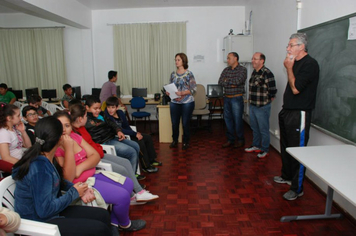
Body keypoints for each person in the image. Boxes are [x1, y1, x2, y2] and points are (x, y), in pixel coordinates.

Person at [12, 116, 113, 236]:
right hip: (40, 221)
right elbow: (44, 210)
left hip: (52, 211)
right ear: (60, 138)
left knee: (102, 215)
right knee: (100, 229)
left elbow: (59, 182)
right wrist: (74, 193)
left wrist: (82, 189)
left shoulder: (47, 158)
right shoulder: (40, 168)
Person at [53, 111, 146, 232]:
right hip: (82, 184)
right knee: (122, 196)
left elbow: (95, 156)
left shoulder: (75, 137)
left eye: (67, 125)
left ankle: (114, 221)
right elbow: (69, 177)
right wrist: (69, 149)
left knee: (128, 183)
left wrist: (79, 168)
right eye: (60, 126)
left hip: (92, 174)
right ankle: (125, 224)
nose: (64, 130)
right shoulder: (56, 147)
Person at [69, 103, 159, 203]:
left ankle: (139, 192)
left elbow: (92, 145)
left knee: (125, 162)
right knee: (122, 170)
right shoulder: (76, 134)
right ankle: (134, 194)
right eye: (86, 116)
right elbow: (88, 152)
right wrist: (98, 149)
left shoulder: (82, 128)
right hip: (95, 159)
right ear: (80, 119)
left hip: (99, 154)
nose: (87, 118)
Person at [274, 33, 319, 201]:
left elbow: (296, 89)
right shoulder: (295, 62)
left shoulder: (310, 64)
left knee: (298, 152)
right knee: (286, 147)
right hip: (288, 111)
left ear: (301, 46)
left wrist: (289, 68)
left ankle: (297, 188)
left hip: (300, 113)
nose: (288, 48)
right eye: (288, 45)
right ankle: (286, 176)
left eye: (291, 45)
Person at [85, 95, 140, 174]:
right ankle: (131, 177)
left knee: (136, 145)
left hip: (112, 137)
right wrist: (110, 126)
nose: (98, 110)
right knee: (132, 152)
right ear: (87, 107)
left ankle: (133, 173)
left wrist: (118, 131)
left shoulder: (101, 114)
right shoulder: (87, 120)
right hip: (105, 141)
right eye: (95, 108)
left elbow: (111, 123)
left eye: (99, 108)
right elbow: (103, 127)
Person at [105, 96, 162, 172]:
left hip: (128, 133)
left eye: (112, 107)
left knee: (147, 137)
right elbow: (120, 130)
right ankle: (146, 166)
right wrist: (134, 134)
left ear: (117, 107)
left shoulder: (120, 113)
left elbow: (126, 126)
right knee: (140, 142)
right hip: (119, 137)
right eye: (108, 107)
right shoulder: (107, 116)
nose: (110, 110)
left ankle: (152, 160)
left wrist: (134, 133)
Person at [245, 52, 277, 158]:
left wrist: (268, 100)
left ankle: (265, 149)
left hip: (262, 107)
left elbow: (272, 90)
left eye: (255, 59)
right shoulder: (255, 72)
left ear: (262, 61)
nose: (252, 61)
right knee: (254, 127)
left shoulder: (267, 73)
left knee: (263, 129)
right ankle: (256, 145)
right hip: (253, 105)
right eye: (252, 58)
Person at [167, 53, 197, 150]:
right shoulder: (173, 74)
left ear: (183, 61)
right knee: (174, 123)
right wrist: (168, 92)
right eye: (175, 60)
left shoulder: (189, 74)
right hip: (174, 102)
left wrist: (182, 93)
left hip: (187, 102)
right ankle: (175, 140)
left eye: (178, 60)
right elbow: (170, 87)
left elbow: (193, 89)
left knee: (185, 123)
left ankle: (186, 142)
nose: (176, 61)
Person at [218, 52, 247, 148]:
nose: (227, 60)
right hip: (227, 98)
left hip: (237, 98)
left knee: (238, 120)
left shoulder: (242, 69)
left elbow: (238, 81)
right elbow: (220, 82)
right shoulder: (226, 70)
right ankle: (230, 139)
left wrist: (227, 81)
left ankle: (240, 140)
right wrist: (230, 82)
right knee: (228, 120)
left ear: (235, 58)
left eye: (229, 58)